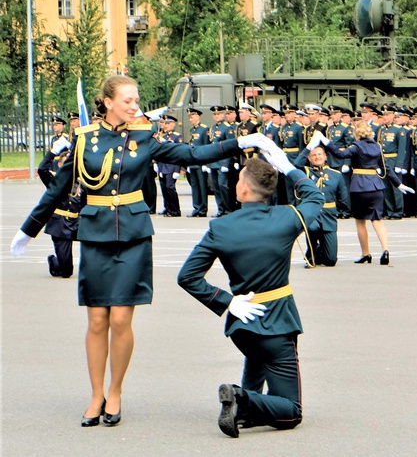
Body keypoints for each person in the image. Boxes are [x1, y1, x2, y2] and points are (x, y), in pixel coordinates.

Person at [9, 76, 268, 428]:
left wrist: (240, 141)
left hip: (132, 234)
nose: (135, 106)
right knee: (97, 320)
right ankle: (96, 394)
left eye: (136, 99)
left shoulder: (145, 137)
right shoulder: (85, 139)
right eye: (128, 100)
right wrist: (29, 228)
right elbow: (59, 185)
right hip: (97, 234)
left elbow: (191, 154)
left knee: (120, 319)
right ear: (107, 101)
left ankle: (115, 391)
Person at [177, 154, 322, 437]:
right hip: (277, 321)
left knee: (256, 354)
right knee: (291, 411)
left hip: (241, 321)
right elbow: (315, 197)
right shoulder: (287, 217)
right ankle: (242, 398)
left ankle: (242, 406)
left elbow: (187, 277)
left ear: (243, 188)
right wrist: (289, 169)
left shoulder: (221, 227)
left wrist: (227, 301)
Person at [318, 125, 413, 265]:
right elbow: (386, 167)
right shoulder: (377, 147)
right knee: (377, 220)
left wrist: (326, 142)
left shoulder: (356, 146)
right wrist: (398, 184)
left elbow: (340, 154)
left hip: (359, 187)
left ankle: (366, 253)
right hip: (375, 186)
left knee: (360, 221)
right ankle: (385, 249)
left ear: (357, 134)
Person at [293, 141, 347, 267]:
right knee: (312, 227)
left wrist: (337, 211)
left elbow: (343, 198)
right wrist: (309, 147)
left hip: (329, 215)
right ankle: (311, 252)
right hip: (312, 213)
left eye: (320, 154)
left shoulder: (336, 175)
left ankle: (320, 250)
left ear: (325, 156)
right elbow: (296, 164)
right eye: (313, 155)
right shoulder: (305, 172)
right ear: (309, 158)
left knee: (330, 261)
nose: (317, 157)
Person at [37, 137, 79, 278]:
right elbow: (42, 170)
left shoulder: (83, 181)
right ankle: (54, 262)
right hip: (60, 225)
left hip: (79, 223)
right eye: (65, 162)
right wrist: (52, 152)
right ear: (60, 165)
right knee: (66, 272)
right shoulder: (54, 181)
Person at [156, 115, 183, 217]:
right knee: (164, 188)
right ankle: (168, 208)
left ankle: (175, 209)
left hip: (172, 166)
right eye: (165, 123)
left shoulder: (177, 136)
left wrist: (177, 169)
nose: (166, 126)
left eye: (168, 123)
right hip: (163, 166)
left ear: (173, 124)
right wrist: (158, 165)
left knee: (170, 187)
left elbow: (179, 154)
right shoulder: (164, 136)